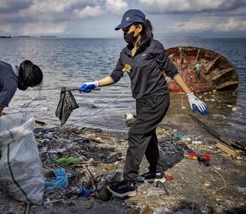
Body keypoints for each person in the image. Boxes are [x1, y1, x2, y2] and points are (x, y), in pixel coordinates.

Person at [79, 9, 207, 198]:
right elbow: (115, 76)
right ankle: (155, 172)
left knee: (136, 133)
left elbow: (172, 72)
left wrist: (190, 94)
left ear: (138, 27)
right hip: (141, 101)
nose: (124, 33)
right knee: (148, 135)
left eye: (126, 29)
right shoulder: (125, 53)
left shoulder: (154, 47)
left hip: (158, 99)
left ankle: (129, 181)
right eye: (122, 30)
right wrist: (95, 83)